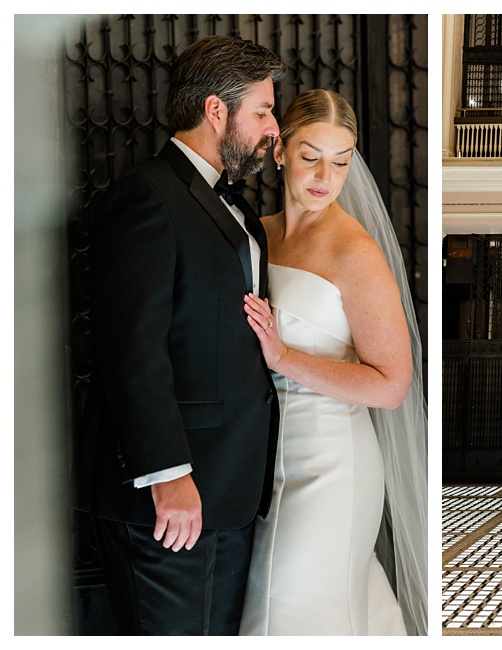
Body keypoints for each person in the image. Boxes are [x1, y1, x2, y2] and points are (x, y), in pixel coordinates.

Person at [76, 36, 286, 635]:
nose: (273, 128)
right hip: (168, 499)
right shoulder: (145, 197)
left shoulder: (238, 210)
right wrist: (169, 474)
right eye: (263, 111)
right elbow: (130, 348)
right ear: (216, 110)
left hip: (229, 492)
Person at [237, 89, 427, 636]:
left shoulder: (354, 252)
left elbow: (393, 385)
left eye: (341, 161)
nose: (325, 175)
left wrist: (284, 357)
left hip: (331, 461)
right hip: (266, 457)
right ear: (279, 150)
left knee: (288, 607)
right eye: (310, 156)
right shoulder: (258, 234)